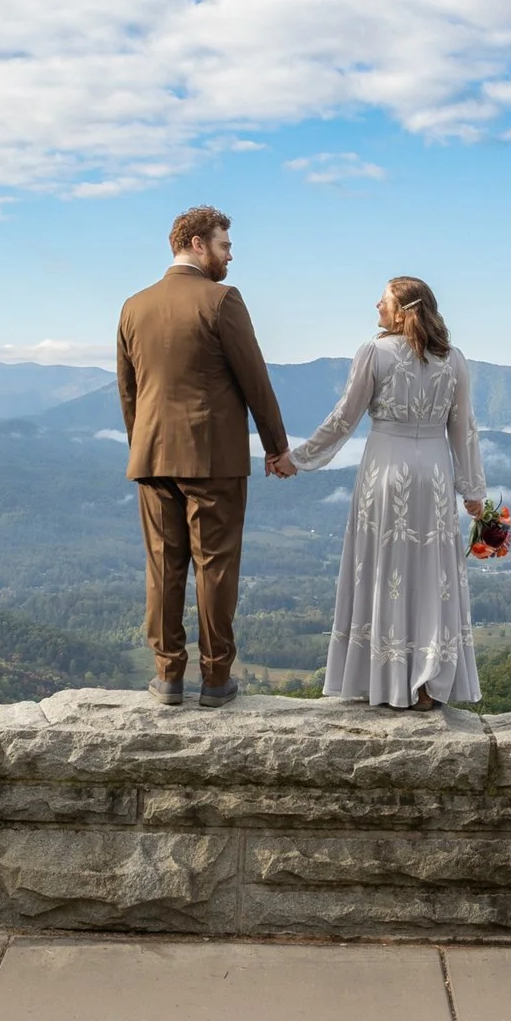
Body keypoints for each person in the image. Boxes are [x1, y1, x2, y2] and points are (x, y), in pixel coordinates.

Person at [117, 205, 293, 708]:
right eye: (225, 245)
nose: (230, 256)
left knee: (163, 567)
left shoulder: (133, 306)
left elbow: (128, 391)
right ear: (197, 244)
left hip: (152, 456)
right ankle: (216, 680)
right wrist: (276, 447)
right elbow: (254, 380)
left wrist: (144, 446)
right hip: (214, 459)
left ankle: (168, 675)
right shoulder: (222, 301)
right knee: (214, 566)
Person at [290, 276, 484, 710]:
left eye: (384, 299)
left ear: (404, 311)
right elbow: (464, 428)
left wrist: (298, 458)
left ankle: (386, 679)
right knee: (431, 572)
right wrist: (471, 490)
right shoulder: (453, 360)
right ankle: (427, 683)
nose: (376, 304)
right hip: (433, 471)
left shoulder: (373, 353)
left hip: (385, 471)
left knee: (385, 569)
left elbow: (344, 417)